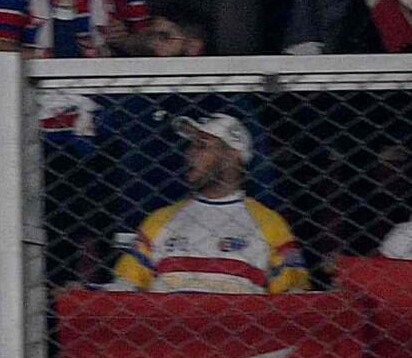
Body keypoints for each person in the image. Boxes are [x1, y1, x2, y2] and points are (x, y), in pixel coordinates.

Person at [109, 116, 309, 294]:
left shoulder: (271, 224)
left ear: (232, 156)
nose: (189, 154)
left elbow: (292, 297)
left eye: (202, 146)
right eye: (191, 146)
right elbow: (124, 287)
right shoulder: (159, 219)